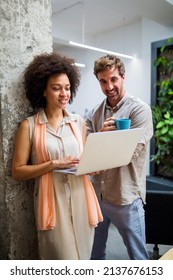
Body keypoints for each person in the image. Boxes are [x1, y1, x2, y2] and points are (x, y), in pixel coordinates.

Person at [12, 52, 102, 260]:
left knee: (84, 259)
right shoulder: (30, 126)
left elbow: (85, 159)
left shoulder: (78, 122)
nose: (64, 94)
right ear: (43, 90)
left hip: (82, 198)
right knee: (61, 261)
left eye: (68, 88)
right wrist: (52, 164)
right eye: (56, 88)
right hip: (52, 201)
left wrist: (96, 164)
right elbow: (18, 171)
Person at [85, 54, 153, 260]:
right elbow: (86, 151)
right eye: (103, 81)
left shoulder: (139, 110)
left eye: (113, 79)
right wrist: (99, 140)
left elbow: (130, 153)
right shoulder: (95, 113)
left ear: (123, 77)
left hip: (126, 196)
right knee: (94, 255)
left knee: (138, 257)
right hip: (97, 195)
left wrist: (101, 142)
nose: (109, 86)